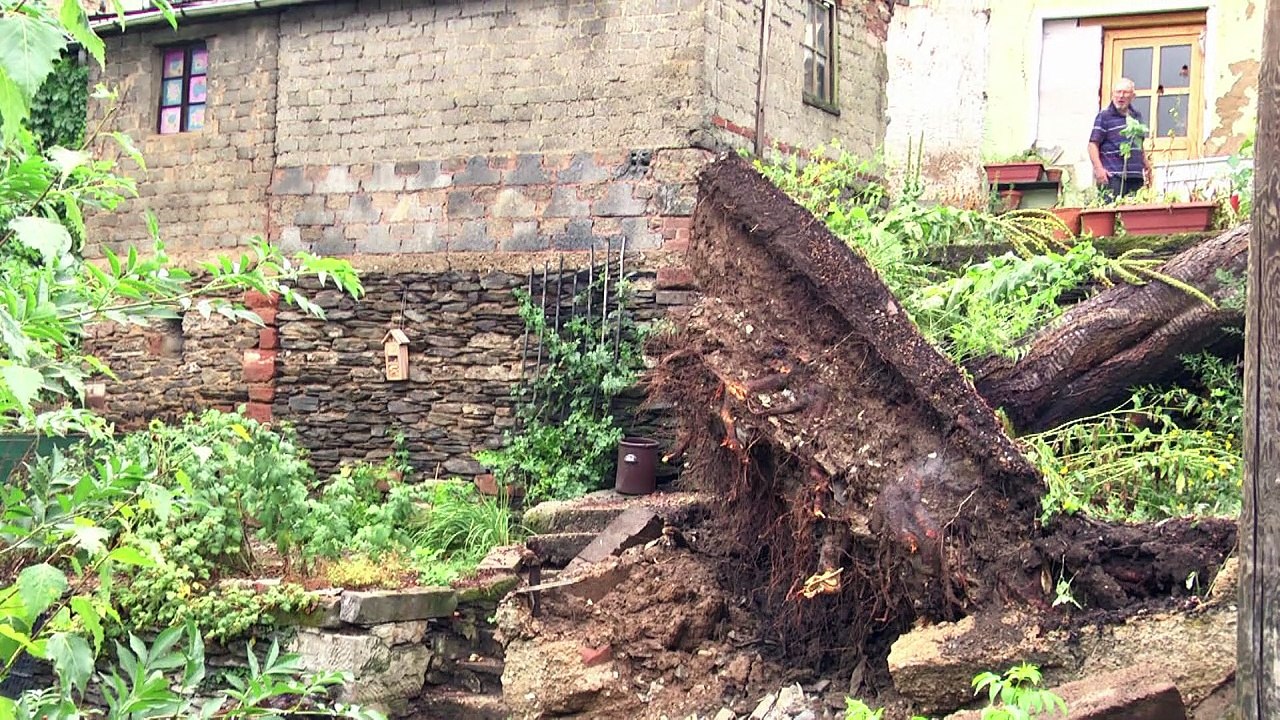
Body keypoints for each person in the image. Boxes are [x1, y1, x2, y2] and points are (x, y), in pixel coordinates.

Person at [1088, 78, 1154, 199]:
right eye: (1118, 92)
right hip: (1113, 177)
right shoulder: (1104, 116)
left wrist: (1146, 165)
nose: (1121, 96)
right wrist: (1099, 169)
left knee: (1133, 215)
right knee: (1112, 214)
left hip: (1135, 177)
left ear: (1133, 96)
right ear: (1113, 94)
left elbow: (1138, 144)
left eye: (1125, 92)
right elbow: (1092, 145)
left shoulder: (1136, 116)